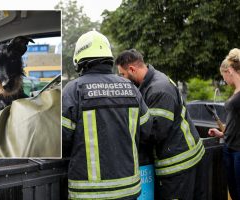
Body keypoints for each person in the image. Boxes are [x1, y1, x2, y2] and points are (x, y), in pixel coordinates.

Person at [62, 31, 152, 200]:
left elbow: (62, 139)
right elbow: (147, 131)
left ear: (79, 61)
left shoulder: (74, 90)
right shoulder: (131, 88)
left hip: (89, 193)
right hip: (128, 189)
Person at [115, 49, 206, 200]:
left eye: (123, 75)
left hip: (179, 163)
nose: (123, 79)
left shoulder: (158, 89)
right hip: (183, 158)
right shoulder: (151, 83)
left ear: (132, 69)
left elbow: (155, 133)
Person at [208, 48, 240, 200]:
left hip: (239, 151)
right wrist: (222, 133)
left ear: (229, 71)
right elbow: (236, 122)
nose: (224, 81)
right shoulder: (235, 91)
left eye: (223, 76)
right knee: (233, 193)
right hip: (229, 147)